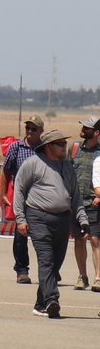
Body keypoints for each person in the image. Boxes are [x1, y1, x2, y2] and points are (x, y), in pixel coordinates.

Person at [14, 128, 78, 318]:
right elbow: (19, 190)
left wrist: (81, 219)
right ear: (49, 147)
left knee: (55, 264)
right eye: (60, 144)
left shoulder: (67, 166)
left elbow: (75, 195)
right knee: (46, 260)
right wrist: (21, 219)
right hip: (38, 217)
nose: (64, 147)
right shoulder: (32, 163)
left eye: (65, 143)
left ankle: (41, 304)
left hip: (62, 219)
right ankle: (52, 299)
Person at [3, 117, 42, 284]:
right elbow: (6, 171)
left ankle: (49, 270)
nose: (30, 132)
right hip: (21, 197)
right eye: (28, 128)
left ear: (41, 131)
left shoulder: (45, 148)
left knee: (44, 237)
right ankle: (22, 270)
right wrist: (3, 194)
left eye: (34, 129)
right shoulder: (16, 147)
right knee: (21, 235)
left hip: (41, 198)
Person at [71, 119, 97, 292]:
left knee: (95, 239)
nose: (83, 129)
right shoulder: (75, 148)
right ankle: (82, 275)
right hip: (75, 202)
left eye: (87, 128)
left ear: (96, 132)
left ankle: (98, 277)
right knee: (79, 239)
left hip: (94, 202)